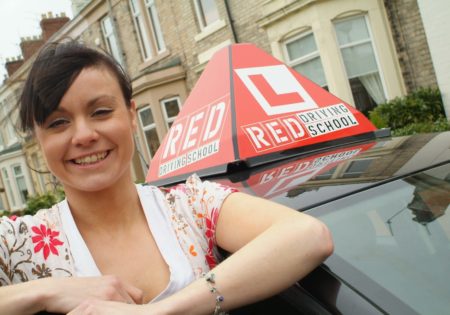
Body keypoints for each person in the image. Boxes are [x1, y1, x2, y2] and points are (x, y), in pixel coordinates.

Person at [0, 40, 333, 315]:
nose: (84, 135)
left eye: (100, 112)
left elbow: (308, 235)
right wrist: (45, 291)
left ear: (131, 116)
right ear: (38, 141)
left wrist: (162, 311)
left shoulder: (190, 206)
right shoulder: (17, 244)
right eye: (58, 123)